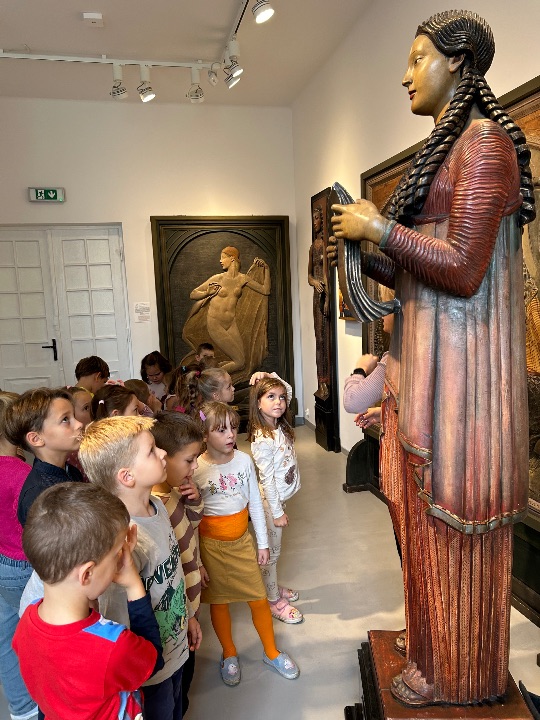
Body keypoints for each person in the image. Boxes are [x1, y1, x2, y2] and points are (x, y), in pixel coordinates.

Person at [330, 10, 535, 706]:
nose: (406, 74)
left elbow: (465, 268)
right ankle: (428, 646)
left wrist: (381, 227)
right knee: (417, 528)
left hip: (464, 380)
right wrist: (365, 248)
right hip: (427, 364)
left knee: (448, 529)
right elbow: (415, 272)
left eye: (419, 58)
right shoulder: (449, 147)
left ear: (459, 61)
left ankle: (460, 673)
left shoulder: (485, 147)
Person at [13, 482, 164, 720]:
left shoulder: (26, 622)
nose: (123, 557)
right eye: (118, 553)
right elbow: (153, 659)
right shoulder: (114, 647)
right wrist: (133, 584)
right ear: (86, 574)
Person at [79, 416, 196, 720]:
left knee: (178, 707)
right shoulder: (123, 541)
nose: (162, 453)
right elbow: (117, 619)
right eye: (152, 450)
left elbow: (172, 574)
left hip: (177, 647)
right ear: (127, 476)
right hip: (149, 673)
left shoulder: (157, 507)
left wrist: (189, 617)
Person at [193, 402, 299, 684]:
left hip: (241, 544)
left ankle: (271, 651)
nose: (230, 435)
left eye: (233, 428)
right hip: (210, 548)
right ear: (204, 434)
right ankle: (229, 652)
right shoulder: (196, 468)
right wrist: (198, 562)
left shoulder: (243, 461)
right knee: (219, 602)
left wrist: (262, 544)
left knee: (258, 598)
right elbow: (191, 521)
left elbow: (255, 504)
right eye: (221, 430)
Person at [150, 412, 204, 717]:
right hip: (179, 609)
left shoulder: (172, 494)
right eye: (189, 460)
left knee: (185, 674)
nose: (195, 467)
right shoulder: (156, 504)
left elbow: (191, 528)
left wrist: (194, 500)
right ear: (163, 457)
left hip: (190, 603)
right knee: (176, 684)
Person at [247, 376, 303, 624]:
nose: (279, 401)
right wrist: (277, 512)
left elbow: (288, 389)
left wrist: (269, 374)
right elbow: (267, 480)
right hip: (270, 504)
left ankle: (272, 587)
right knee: (271, 554)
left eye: (281, 398)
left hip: (279, 500)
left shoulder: (278, 425)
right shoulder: (262, 439)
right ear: (258, 403)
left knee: (274, 553)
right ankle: (272, 601)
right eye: (270, 397)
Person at [0, 392, 37, 720]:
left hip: (1, 561)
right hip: (21, 564)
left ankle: (22, 709)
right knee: (37, 635)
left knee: (4, 636)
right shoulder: (20, 473)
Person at [4, 387, 84, 527]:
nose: (79, 424)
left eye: (74, 417)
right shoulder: (39, 495)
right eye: (65, 419)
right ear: (36, 439)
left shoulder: (72, 472)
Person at [184, 247, 271, 374]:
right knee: (239, 362)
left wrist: (266, 269)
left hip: (231, 323)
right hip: (215, 323)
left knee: (241, 362)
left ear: (232, 258)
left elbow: (265, 290)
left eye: (223, 257)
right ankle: (206, 376)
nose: (220, 261)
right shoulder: (218, 278)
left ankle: (210, 373)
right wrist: (207, 293)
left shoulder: (242, 278)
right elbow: (193, 294)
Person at [308, 204, 331, 397]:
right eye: (313, 219)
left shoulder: (326, 245)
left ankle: (326, 380)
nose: (314, 223)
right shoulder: (312, 247)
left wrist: (328, 298)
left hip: (326, 293)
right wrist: (315, 282)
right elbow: (309, 275)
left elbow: (328, 273)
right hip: (317, 294)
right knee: (319, 338)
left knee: (325, 338)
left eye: (316, 219)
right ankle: (321, 381)